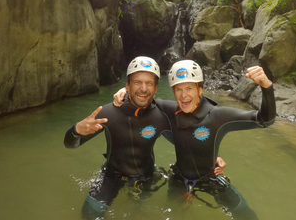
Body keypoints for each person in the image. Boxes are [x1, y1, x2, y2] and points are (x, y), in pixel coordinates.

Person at [64, 56, 226, 219]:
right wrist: (76, 130)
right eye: (137, 82)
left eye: (149, 83)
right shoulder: (107, 113)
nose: (143, 88)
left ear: (156, 88)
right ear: (127, 85)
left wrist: (210, 154)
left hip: (149, 175)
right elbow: (69, 144)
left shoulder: (164, 113)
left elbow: (197, 123)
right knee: (88, 215)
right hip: (112, 176)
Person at [113, 60, 276, 219]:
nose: (184, 96)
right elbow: (143, 98)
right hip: (178, 180)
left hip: (211, 180)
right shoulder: (169, 111)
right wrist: (125, 92)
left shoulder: (217, 116)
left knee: (247, 216)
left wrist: (266, 86)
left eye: (189, 88)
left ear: (200, 89)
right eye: (178, 89)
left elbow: (265, 120)